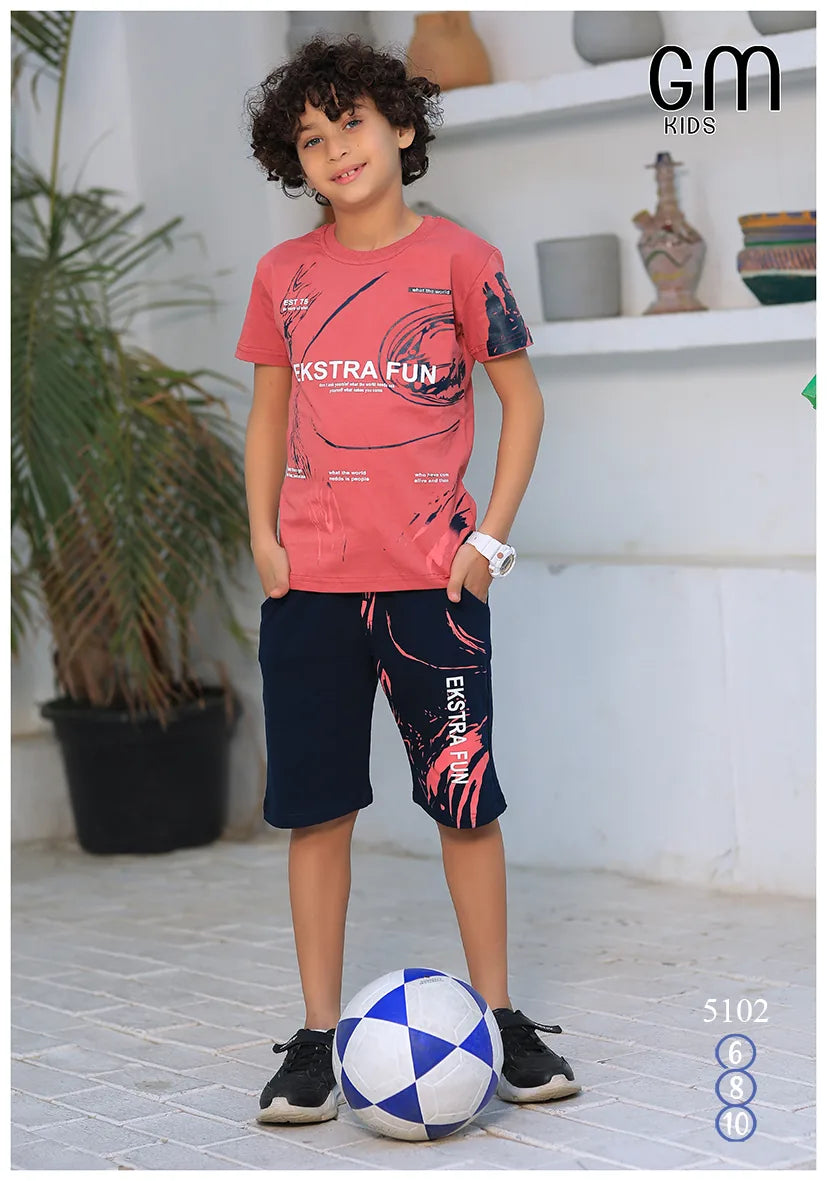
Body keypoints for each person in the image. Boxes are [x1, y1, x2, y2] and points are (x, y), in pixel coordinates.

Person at [235, 32, 580, 1125]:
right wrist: (263, 538)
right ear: (297, 164)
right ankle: (315, 1035)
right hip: (313, 589)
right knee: (316, 812)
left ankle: (501, 1016)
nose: (335, 148)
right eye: (310, 137)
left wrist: (491, 542)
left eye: (351, 123)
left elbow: (521, 402)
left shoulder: (460, 260)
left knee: (465, 806)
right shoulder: (283, 276)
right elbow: (268, 414)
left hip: (435, 588)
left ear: (399, 126)